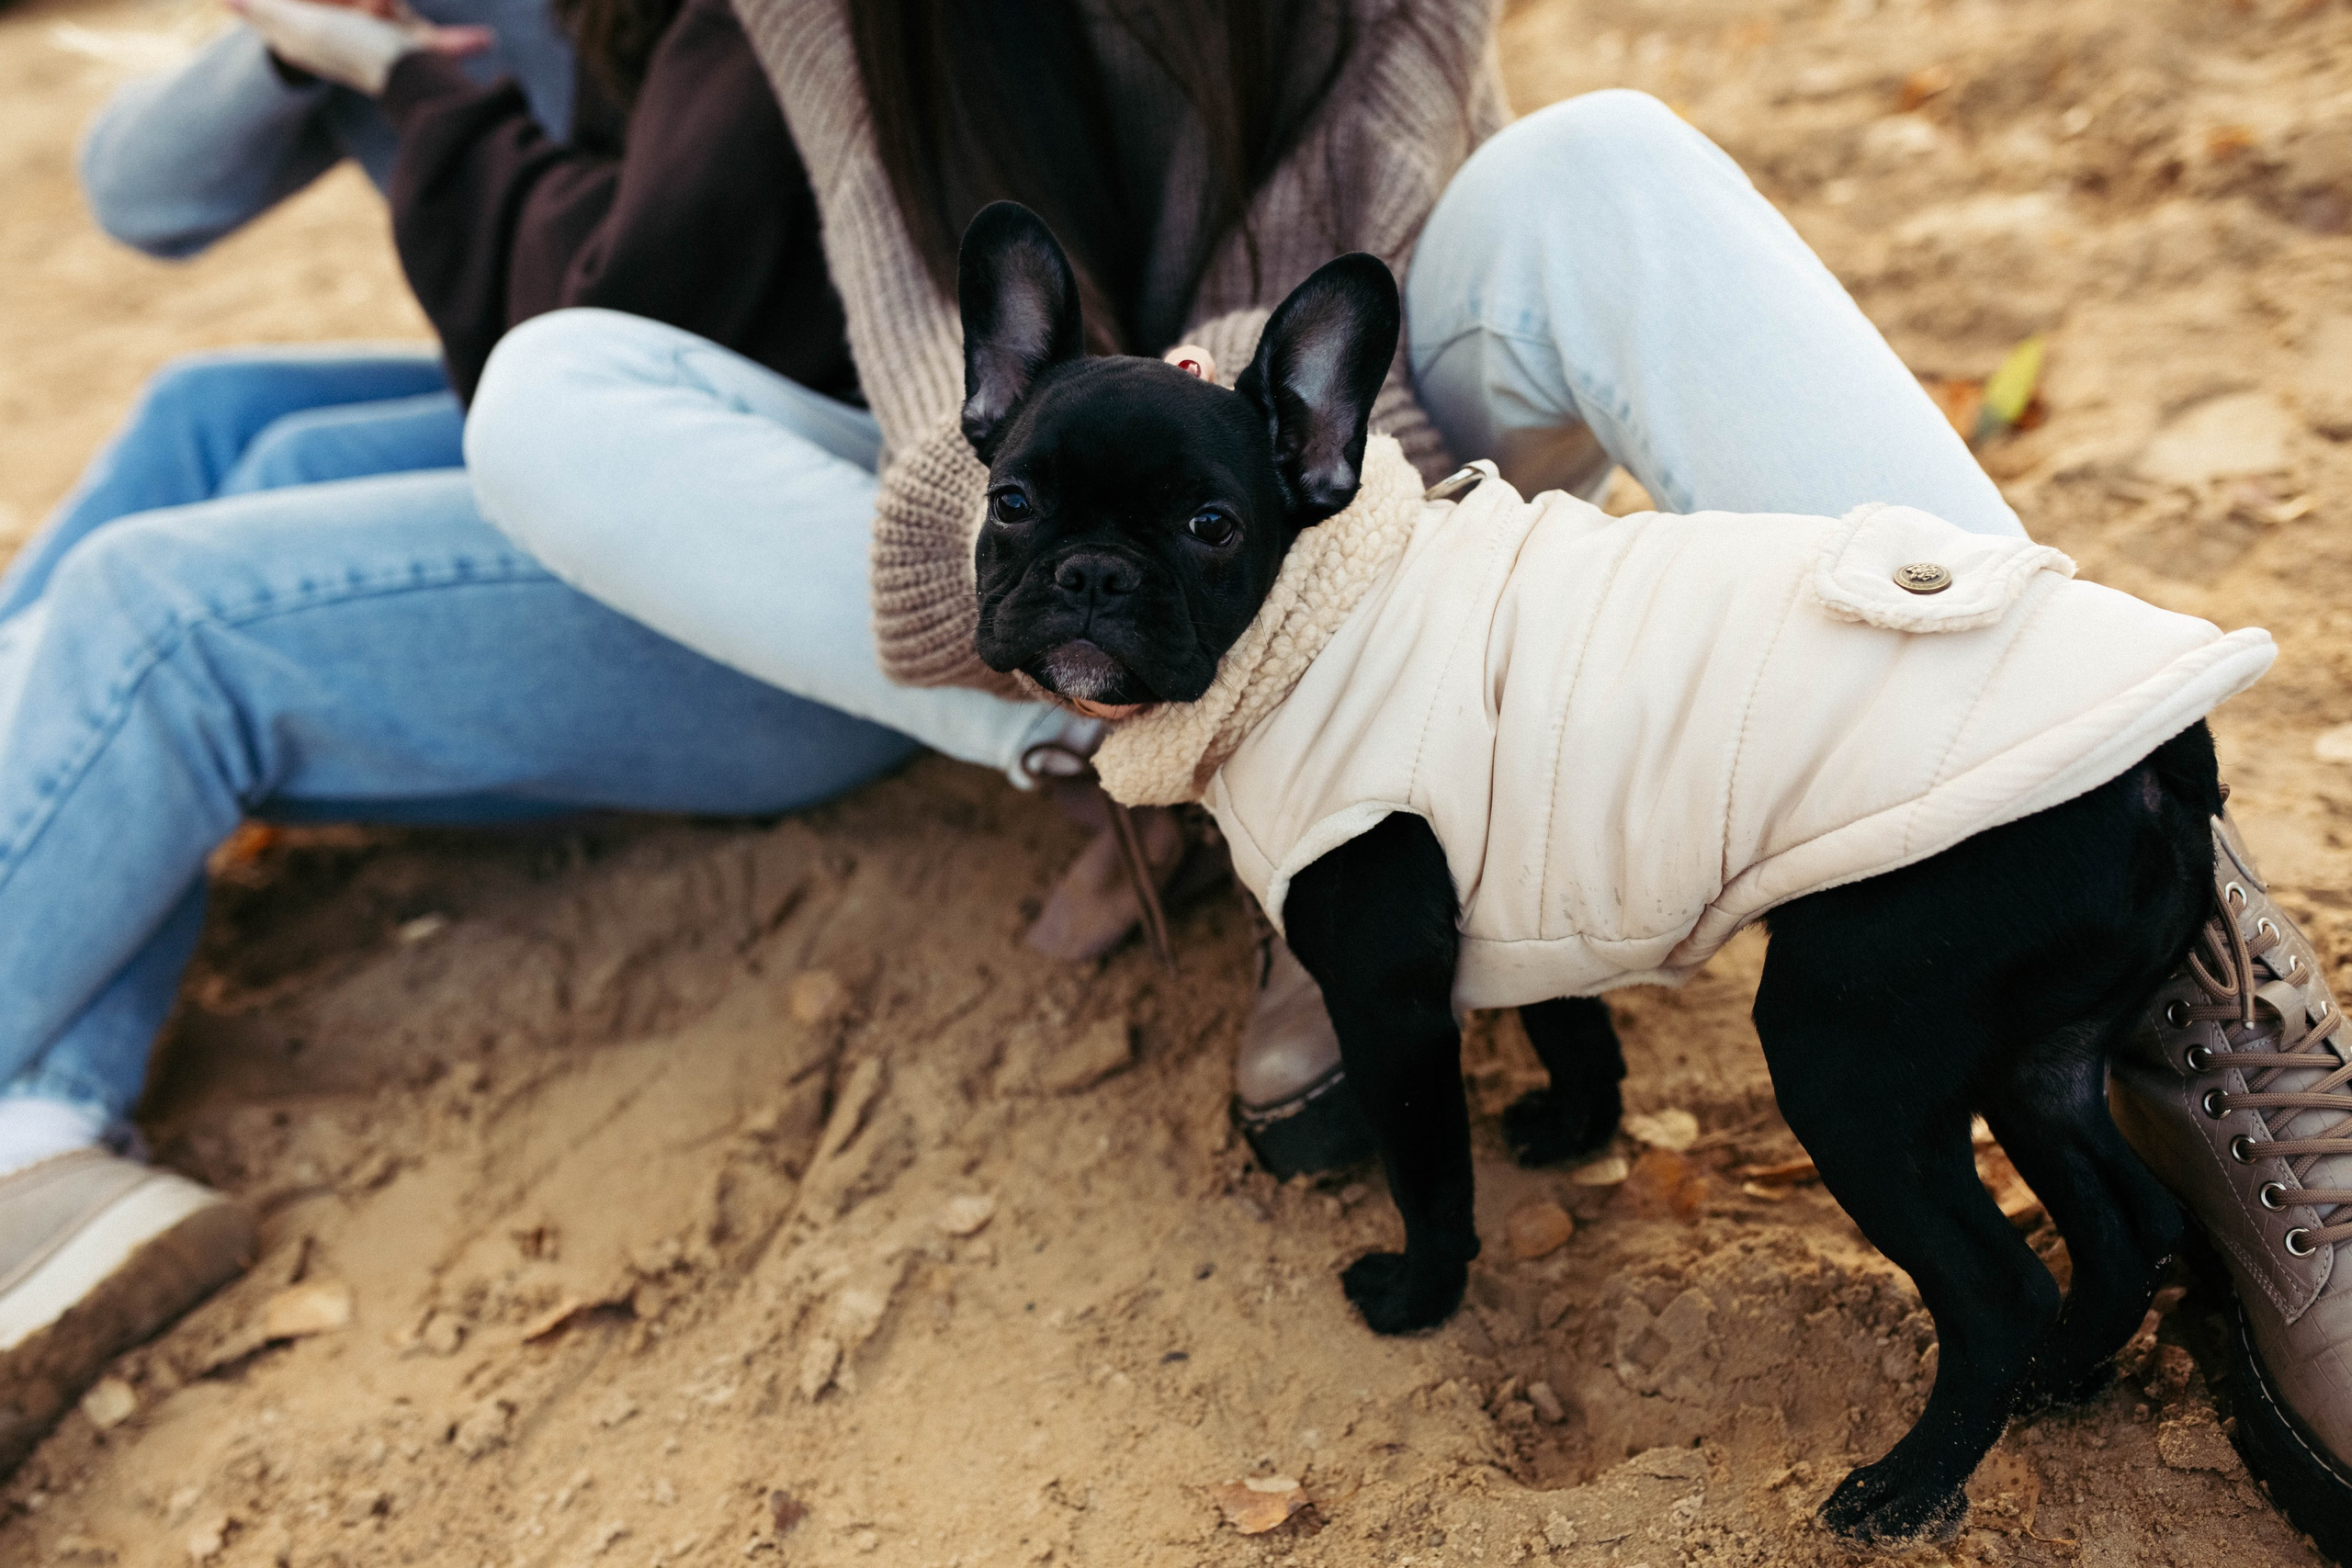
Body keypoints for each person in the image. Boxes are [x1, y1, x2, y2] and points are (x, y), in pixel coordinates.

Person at [459, 1, 2352, 1547]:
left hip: (1384, 488)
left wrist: (1239, 464)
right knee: (546, 399)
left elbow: (1374, 259)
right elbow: (935, 431)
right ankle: (1212, 788)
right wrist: (1128, 499)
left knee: (1599, 167)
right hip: (1203, 513)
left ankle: (2176, 947)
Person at [0, 0, 1090, 1480]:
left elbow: (619, 314)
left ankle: (33, 1096)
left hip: (789, 566)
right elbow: (141, 191)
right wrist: (298, 43)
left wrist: (416, 89)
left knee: (160, 616)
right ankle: (38, 1129)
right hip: (656, 415)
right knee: (230, 424)